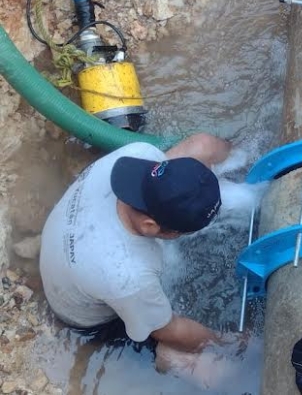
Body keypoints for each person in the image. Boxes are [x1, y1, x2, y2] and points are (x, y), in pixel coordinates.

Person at [40, 133, 232, 354]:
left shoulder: (139, 154)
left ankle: (247, 159)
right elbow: (169, 331)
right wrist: (228, 345)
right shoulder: (127, 276)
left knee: (203, 145)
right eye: (179, 232)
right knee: (174, 356)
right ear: (150, 226)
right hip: (81, 313)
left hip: (63, 242)